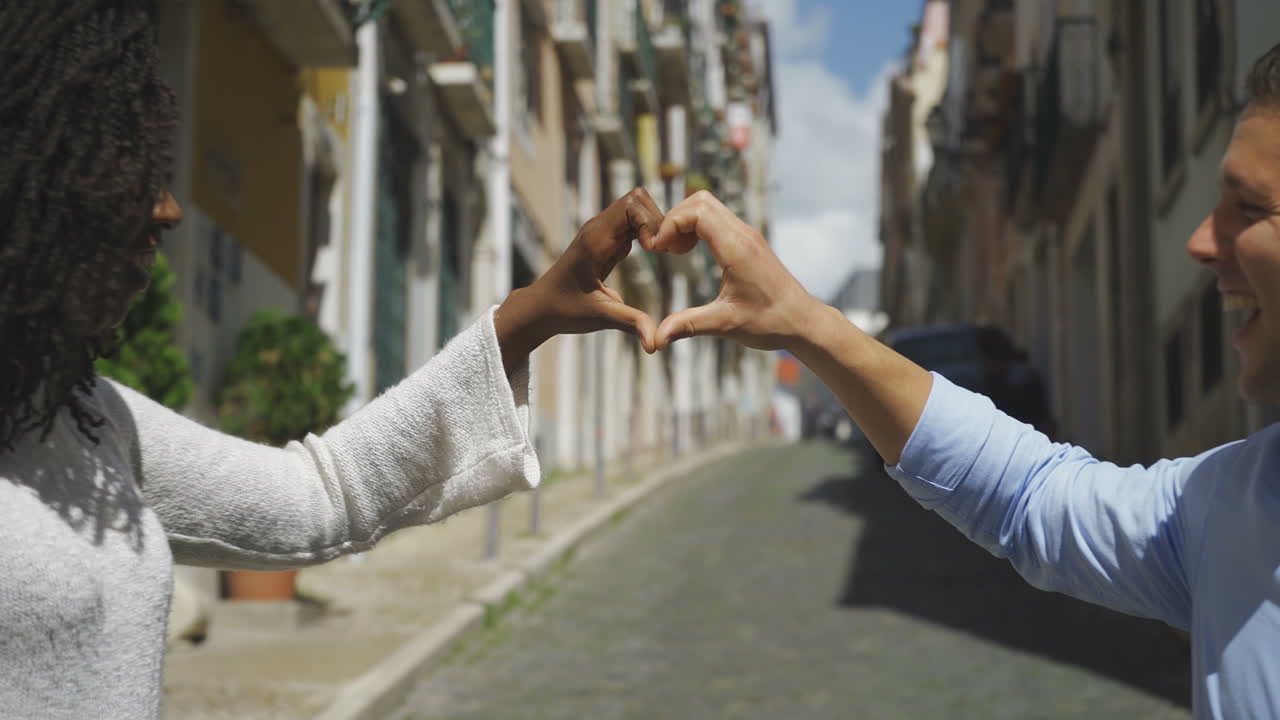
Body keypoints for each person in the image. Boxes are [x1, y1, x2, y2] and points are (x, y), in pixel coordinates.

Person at [0, 2, 665, 716]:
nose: (167, 208)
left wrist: (525, 318)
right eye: (110, 156)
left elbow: (318, 497)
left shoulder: (88, 420)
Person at [647, 42, 1280, 719]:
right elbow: (1032, 494)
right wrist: (805, 322)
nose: (1202, 243)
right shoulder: (1231, 503)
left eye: (1247, 206)